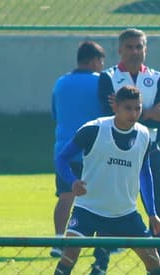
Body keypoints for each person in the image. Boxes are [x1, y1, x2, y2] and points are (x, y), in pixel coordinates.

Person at [46, 85, 160, 275]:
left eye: (137, 108)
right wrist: (72, 181)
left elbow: (145, 173)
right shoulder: (93, 130)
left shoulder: (144, 134)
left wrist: (152, 213)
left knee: (153, 259)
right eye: (128, 108)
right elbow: (62, 158)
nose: (133, 114)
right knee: (69, 256)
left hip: (125, 213)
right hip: (88, 209)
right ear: (116, 107)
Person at [95, 28, 160, 275]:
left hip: (149, 149)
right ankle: (99, 264)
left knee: (157, 206)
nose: (135, 52)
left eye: (139, 47)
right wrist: (148, 114)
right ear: (120, 50)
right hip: (115, 150)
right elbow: (109, 116)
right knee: (107, 205)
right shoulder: (109, 77)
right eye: (129, 47)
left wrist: (131, 114)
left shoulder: (157, 78)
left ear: (145, 49)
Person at [50, 40, 106, 262]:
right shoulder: (101, 82)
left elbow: (55, 114)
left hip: (64, 149)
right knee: (100, 198)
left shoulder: (61, 82)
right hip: (93, 150)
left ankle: (58, 240)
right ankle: (104, 243)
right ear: (95, 61)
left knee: (66, 196)